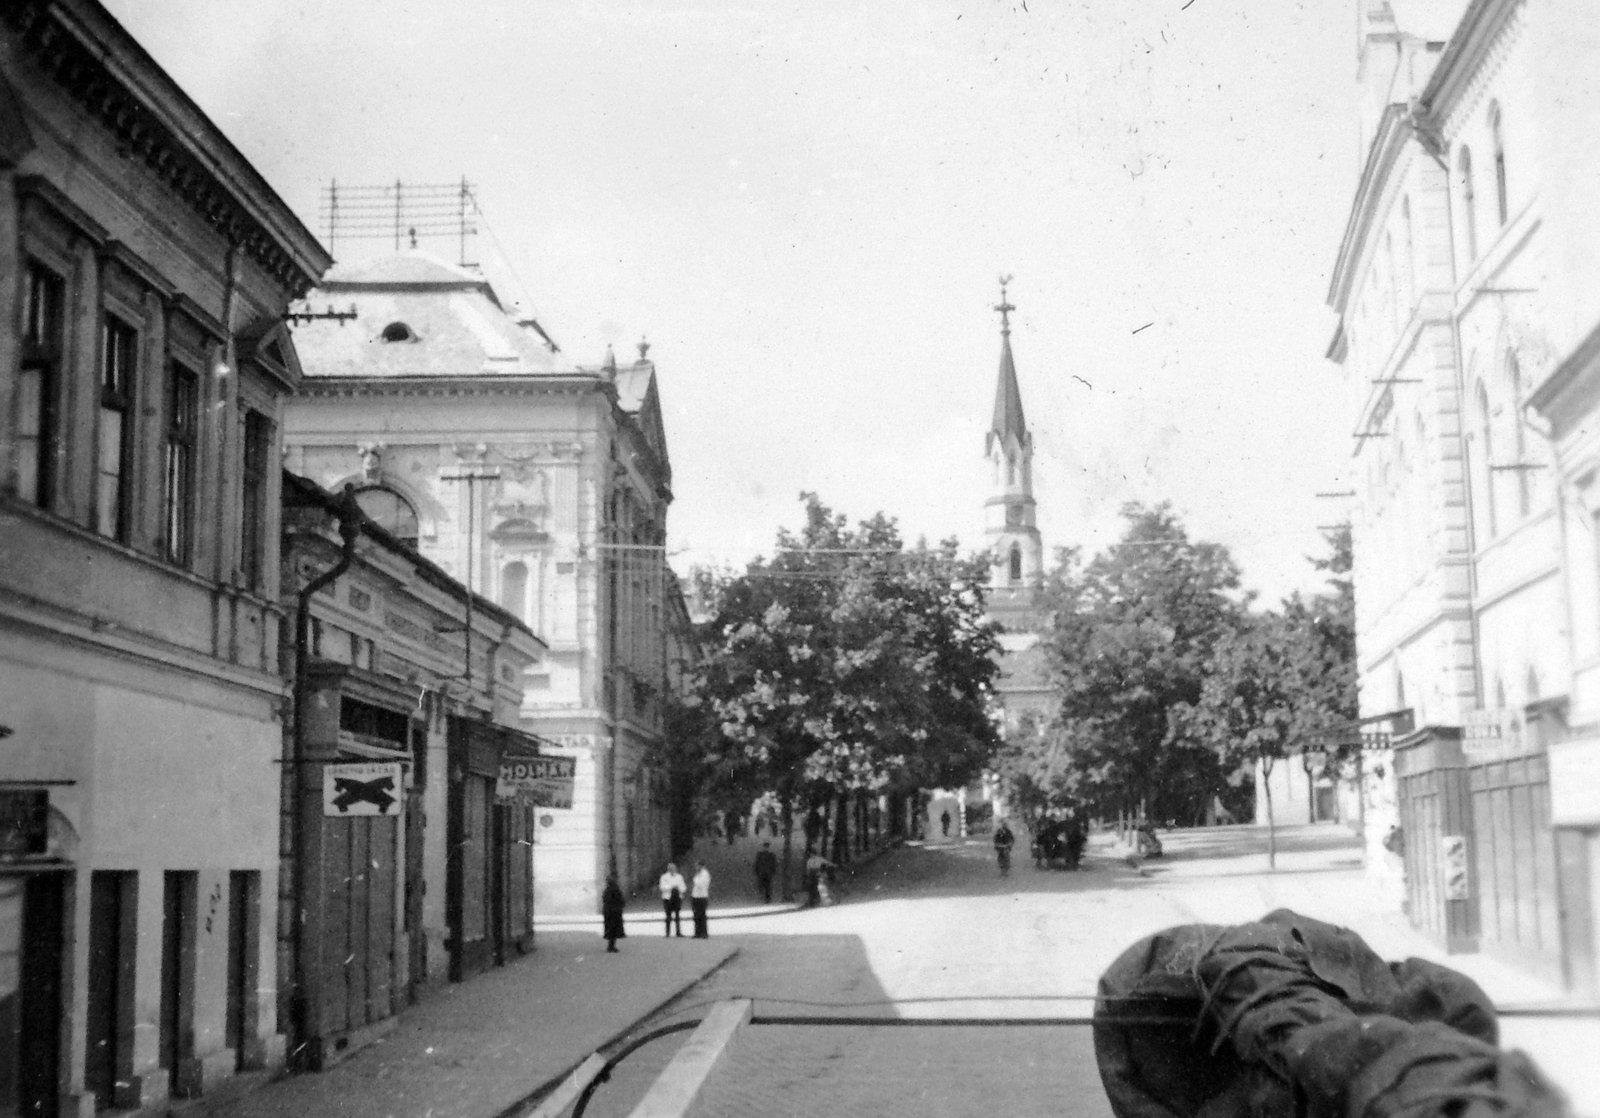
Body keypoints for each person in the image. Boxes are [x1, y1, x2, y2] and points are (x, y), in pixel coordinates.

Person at [657, 861, 687, 937]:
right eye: (670, 868)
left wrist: (679, 888)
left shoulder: (679, 877)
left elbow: (683, 887)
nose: (672, 869)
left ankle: (678, 932)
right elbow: (662, 887)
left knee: (677, 915)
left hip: (677, 897)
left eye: (673, 868)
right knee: (668, 915)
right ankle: (667, 932)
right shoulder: (664, 877)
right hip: (668, 898)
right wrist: (671, 887)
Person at [601, 875, 626, 953]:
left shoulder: (606, 890)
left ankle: (610, 946)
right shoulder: (616, 890)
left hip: (608, 912)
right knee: (614, 930)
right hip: (615, 912)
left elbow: (604, 900)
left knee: (610, 929)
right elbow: (621, 900)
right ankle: (611, 946)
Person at [690, 861, 712, 938]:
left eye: (697, 866)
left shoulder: (705, 874)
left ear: (701, 866)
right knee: (696, 915)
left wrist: (695, 880)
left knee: (702, 915)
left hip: (702, 896)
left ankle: (704, 933)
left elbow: (701, 884)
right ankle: (697, 932)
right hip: (695, 896)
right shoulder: (698, 874)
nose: (696, 868)